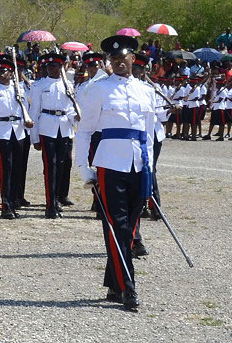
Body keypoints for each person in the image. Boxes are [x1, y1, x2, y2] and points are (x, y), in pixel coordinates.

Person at [73, 35, 160, 312]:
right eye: (114, 60)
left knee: (130, 226)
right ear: (109, 62)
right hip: (110, 165)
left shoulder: (146, 91)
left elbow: (149, 133)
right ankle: (128, 287)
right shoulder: (98, 90)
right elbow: (85, 131)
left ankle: (113, 282)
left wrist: (150, 169)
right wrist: (84, 169)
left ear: (133, 59)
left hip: (139, 165)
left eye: (124, 59)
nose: (120, 63)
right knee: (116, 226)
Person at [0, 55, 31, 219]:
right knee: (6, 171)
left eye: (7, 71)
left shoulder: (18, 89)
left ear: (12, 73)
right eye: (0, 71)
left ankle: (15, 201)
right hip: (2, 133)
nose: (3, 74)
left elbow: (25, 110)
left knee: (18, 169)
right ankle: (6, 205)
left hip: (19, 131)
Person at [27, 54, 77, 218]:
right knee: (50, 167)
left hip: (64, 127)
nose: (51, 69)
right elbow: (34, 112)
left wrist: (75, 118)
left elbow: (69, 107)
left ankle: (57, 198)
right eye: (49, 66)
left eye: (55, 66)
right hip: (47, 127)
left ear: (61, 67)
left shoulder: (67, 84)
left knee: (62, 166)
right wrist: (34, 138)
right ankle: (50, 205)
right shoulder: (39, 85)